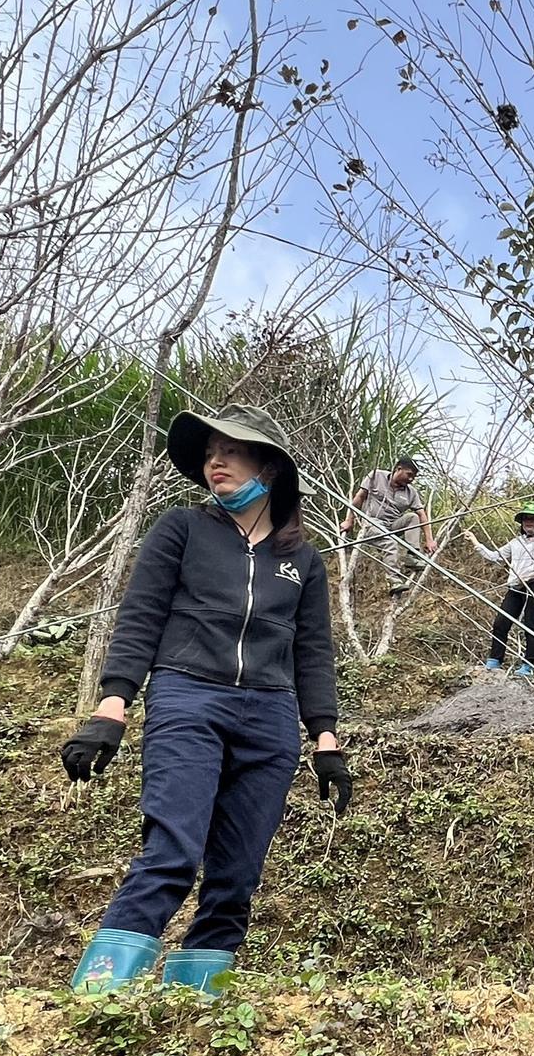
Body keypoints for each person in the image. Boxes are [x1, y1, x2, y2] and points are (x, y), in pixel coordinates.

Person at [58, 404, 349, 998]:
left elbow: (314, 652)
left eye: (233, 450)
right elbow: (140, 618)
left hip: (269, 715)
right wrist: (111, 708)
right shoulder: (181, 530)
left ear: (269, 465)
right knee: (173, 850)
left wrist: (325, 739)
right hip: (188, 697)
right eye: (211, 451)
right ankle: (99, 999)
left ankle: (197, 999)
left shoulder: (302, 560)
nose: (216, 460)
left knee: (238, 871)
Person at [467, 502, 534, 677]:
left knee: (530, 624)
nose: (529, 523)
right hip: (515, 585)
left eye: (533, 519)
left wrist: (530, 576)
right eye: (526, 519)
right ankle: (495, 659)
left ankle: (529, 664)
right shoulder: (516, 542)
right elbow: (494, 556)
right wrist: (475, 541)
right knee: (501, 622)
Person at [341, 455, 436, 593]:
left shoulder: (411, 493)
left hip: (392, 525)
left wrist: (429, 540)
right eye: (409, 475)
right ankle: (394, 580)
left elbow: (422, 515)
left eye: (413, 477)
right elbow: (359, 497)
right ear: (398, 469)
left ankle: (412, 556)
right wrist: (349, 520)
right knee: (390, 542)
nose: (411, 479)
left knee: (413, 517)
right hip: (371, 524)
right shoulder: (376, 476)